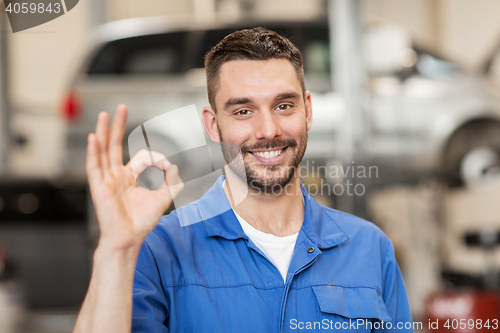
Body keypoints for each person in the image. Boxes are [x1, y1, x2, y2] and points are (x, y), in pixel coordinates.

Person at [73, 28, 414, 333]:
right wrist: (115, 249)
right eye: (243, 111)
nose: (268, 130)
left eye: (283, 106)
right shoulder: (161, 250)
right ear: (212, 124)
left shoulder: (368, 248)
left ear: (307, 111)